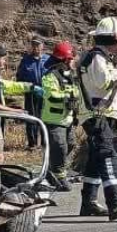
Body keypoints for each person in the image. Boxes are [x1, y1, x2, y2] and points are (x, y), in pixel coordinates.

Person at [77, 17, 117, 220]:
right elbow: (102, 82)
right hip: (97, 115)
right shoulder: (97, 57)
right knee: (107, 154)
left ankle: (89, 202)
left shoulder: (99, 56)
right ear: (111, 38)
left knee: (96, 159)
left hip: (100, 114)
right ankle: (116, 203)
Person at [40, 41, 80, 192]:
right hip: (53, 120)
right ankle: (58, 175)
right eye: (70, 59)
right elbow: (52, 95)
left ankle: (56, 169)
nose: (72, 62)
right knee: (59, 147)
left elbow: (76, 92)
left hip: (67, 119)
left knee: (70, 144)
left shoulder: (70, 75)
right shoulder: (50, 76)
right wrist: (70, 96)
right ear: (63, 59)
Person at [16, 38, 49, 150]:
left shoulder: (47, 59)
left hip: (45, 93)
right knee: (31, 118)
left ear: (42, 46)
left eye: (38, 45)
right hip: (31, 93)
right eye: (34, 45)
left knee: (45, 117)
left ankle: (45, 143)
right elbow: (19, 77)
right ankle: (32, 144)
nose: (36, 47)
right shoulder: (26, 60)